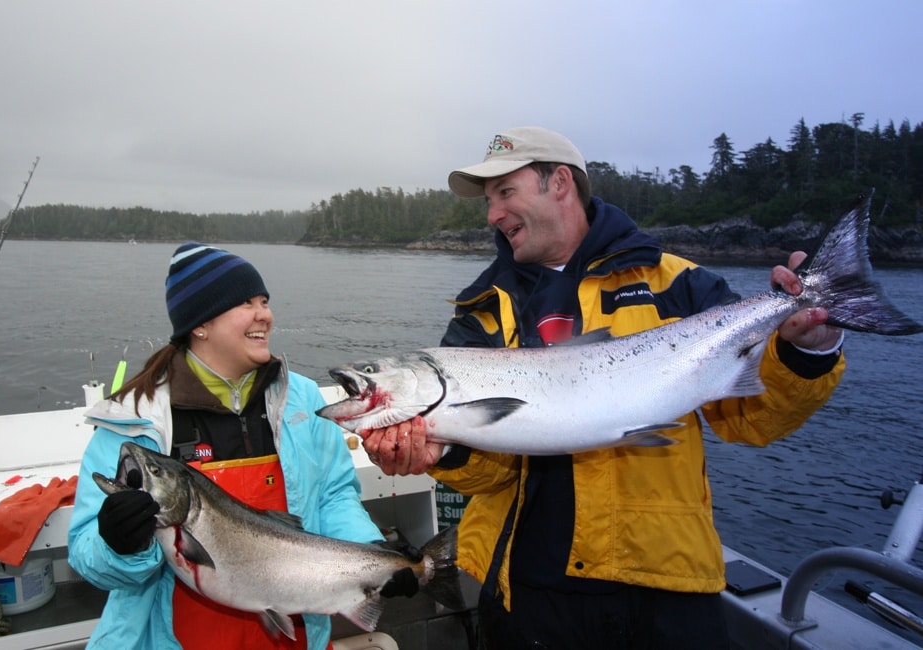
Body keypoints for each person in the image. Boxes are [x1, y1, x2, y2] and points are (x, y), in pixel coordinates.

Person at [361, 126, 845, 649]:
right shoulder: (479, 313)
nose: (492, 215)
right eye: (488, 201)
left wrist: (808, 349)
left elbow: (751, 419)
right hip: (526, 594)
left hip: (665, 589)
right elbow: (489, 473)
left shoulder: (676, 284)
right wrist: (443, 452)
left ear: (560, 182)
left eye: (505, 193)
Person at [68, 243, 416, 650]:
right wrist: (118, 543)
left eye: (264, 301)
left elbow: (334, 496)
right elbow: (88, 558)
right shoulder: (134, 419)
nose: (264, 314)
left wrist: (370, 553)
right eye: (244, 303)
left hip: (293, 636)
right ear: (200, 324)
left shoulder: (302, 402)